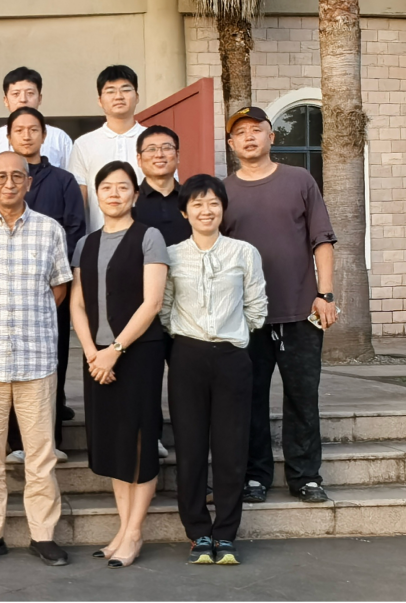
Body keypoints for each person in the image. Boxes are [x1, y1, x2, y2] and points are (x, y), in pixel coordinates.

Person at [0, 151, 74, 568]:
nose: (8, 183)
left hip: (36, 360)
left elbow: (58, 288)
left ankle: (43, 535)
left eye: (17, 176)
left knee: (40, 455)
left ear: (28, 183)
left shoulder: (50, 229)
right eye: (0, 177)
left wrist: (29, 321)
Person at [222, 106, 339, 505]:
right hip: (246, 317)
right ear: (231, 143)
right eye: (241, 132)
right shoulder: (223, 192)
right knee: (250, 399)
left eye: (256, 129)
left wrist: (326, 294)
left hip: (301, 312)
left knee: (303, 398)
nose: (249, 136)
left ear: (271, 137)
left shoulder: (299, 180)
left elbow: (321, 240)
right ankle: (255, 476)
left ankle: (305, 477)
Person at [162, 175, 267, 566]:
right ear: (184, 211)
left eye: (213, 204)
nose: (205, 211)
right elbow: (164, 307)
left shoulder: (244, 253)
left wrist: (232, 335)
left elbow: (257, 307)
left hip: (231, 357)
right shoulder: (171, 256)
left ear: (223, 209)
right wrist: (185, 338)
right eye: (197, 204)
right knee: (190, 448)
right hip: (187, 356)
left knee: (230, 450)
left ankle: (225, 534)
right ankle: (198, 532)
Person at [70, 161, 168, 569]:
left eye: (123, 187)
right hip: (97, 358)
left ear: (135, 194)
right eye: (106, 187)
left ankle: (135, 532)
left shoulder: (149, 237)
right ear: (97, 195)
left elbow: (152, 302)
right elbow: (78, 303)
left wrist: (115, 350)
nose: (114, 193)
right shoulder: (85, 243)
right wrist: (92, 352)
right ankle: (122, 528)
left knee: (139, 440)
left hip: (139, 354)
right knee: (113, 442)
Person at [0, 107, 85, 457]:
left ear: (44, 135)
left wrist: (47, 282)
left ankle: (50, 441)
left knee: (52, 363)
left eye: (33, 129)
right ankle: (13, 443)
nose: (26, 135)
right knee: (3, 369)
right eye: (19, 130)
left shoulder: (63, 180)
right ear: (8, 136)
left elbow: (75, 230)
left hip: (50, 289)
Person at [67, 65, 146, 233]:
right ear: (100, 100)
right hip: (100, 238)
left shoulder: (153, 141)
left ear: (137, 97)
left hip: (148, 237)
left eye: (126, 90)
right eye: (110, 91)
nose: (118, 96)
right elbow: (79, 200)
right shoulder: (84, 144)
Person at [0, 67, 74, 173]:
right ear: (6, 100)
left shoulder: (59, 138)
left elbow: (71, 177)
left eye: (30, 93)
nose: (23, 99)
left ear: (40, 98)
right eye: (16, 94)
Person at [132, 125, 192, 247]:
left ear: (177, 155)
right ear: (139, 159)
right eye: (151, 149)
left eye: (167, 148)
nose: (159, 154)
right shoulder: (130, 200)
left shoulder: (192, 198)